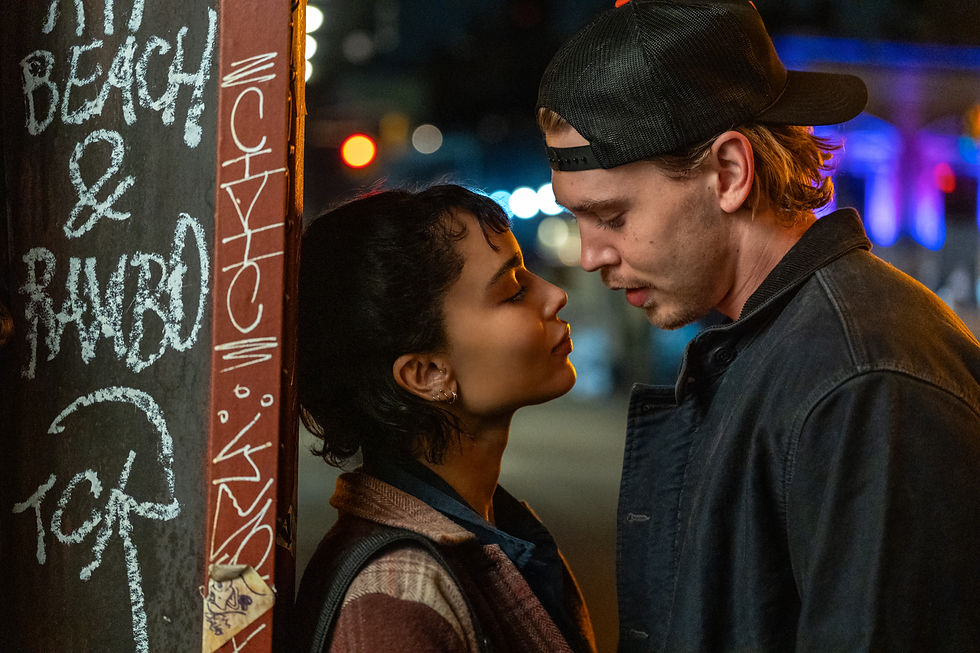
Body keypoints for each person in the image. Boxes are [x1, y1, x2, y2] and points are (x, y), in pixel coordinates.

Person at [535, 1, 980, 651]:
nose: (590, 253)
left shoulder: (864, 380)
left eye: (613, 215)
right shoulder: (770, 345)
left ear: (730, 173)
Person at [292, 184, 597, 652]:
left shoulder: (489, 533)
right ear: (427, 373)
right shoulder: (394, 601)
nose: (555, 294)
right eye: (514, 291)